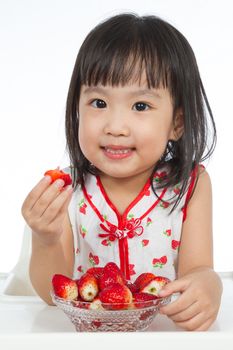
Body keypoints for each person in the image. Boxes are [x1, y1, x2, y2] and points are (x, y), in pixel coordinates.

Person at [21, 13, 222, 331]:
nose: (115, 127)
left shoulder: (191, 184)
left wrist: (209, 285)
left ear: (177, 123)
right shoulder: (68, 188)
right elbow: (51, 294)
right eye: (98, 102)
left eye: (141, 106)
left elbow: (198, 270)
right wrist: (45, 238)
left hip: (161, 336)